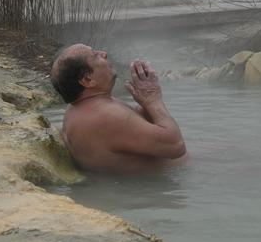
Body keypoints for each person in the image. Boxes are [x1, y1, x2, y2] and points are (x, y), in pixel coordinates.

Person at [49, 43, 187, 173]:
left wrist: (145, 102)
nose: (104, 53)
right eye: (95, 55)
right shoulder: (106, 116)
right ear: (87, 80)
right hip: (170, 179)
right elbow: (176, 145)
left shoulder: (79, 110)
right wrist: (153, 101)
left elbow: (137, 128)